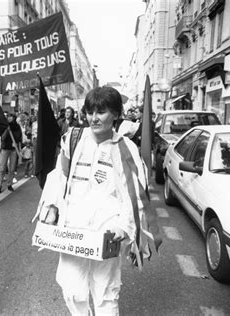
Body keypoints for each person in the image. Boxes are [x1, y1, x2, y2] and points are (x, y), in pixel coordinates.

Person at [34, 86, 160, 315]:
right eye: (90, 112)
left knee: (105, 293)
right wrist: (51, 208)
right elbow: (59, 176)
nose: (94, 118)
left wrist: (125, 226)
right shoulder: (72, 139)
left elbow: (136, 197)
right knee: (72, 290)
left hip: (107, 230)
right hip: (73, 228)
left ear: (115, 114)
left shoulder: (127, 149)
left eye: (101, 112)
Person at [0, 113, 22, 194]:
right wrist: (7, 131)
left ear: (14, 118)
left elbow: (19, 137)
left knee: (12, 168)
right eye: (9, 117)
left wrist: (17, 145)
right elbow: (2, 137)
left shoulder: (17, 127)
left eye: (11, 117)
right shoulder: (5, 126)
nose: (10, 118)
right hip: (5, 149)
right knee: (2, 168)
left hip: (14, 150)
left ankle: (9, 184)